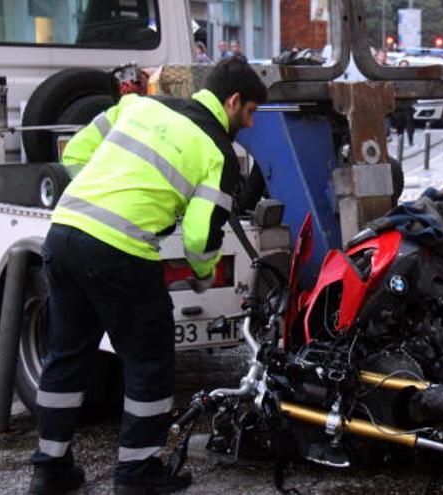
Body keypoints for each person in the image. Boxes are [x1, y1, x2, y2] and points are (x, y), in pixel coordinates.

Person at [26, 57, 268, 495]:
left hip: (63, 235)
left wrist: (109, 195)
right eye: (250, 112)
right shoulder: (218, 153)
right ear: (233, 101)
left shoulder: (140, 106)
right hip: (121, 252)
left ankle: (50, 470)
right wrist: (202, 273)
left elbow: (76, 151)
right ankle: (137, 475)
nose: (249, 124)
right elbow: (198, 239)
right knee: (149, 364)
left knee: (66, 357)